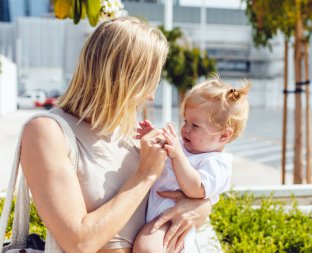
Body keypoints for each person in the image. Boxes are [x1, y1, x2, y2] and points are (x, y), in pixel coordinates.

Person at [20, 17, 211, 253]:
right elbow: (79, 242)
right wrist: (144, 175)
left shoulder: (133, 135)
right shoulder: (47, 132)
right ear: (123, 78)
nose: (151, 96)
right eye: (147, 82)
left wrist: (201, 207)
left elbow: (180, 196)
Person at [132, 77, 251, 253]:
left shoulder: (217, 164)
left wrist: (177, 155)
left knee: (146, 246)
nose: (185, 129)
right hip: (156, 215)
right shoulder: (185, 147)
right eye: (185, 121)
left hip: (173, 224)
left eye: (195, 125)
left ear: (223, 136)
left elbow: (195, 189)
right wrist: (153, 136)